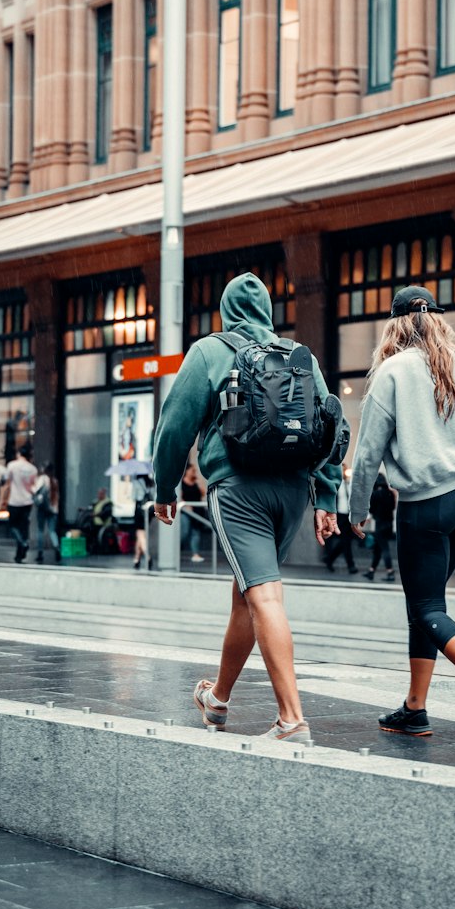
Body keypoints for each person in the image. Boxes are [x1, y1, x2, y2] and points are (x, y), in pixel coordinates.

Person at [152, 272, 341, 744]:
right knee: (248, 593)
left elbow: (174, 426)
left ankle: (291, 719)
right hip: (293, 492)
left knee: (264, 596)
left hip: (238, 490)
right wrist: (327, 497)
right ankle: (217, 698)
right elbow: (330, 425)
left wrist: (165, 487)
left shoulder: (211, 351)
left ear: (226, 309)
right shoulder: (301, 358)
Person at [348, 286, 455, 747]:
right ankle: (414, 708)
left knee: (425, 607)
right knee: (426, 605)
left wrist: (357, 508)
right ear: (437, 320)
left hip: (424, 504)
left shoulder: (392, 371)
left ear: (395, 325)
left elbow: (367, 453)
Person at [4, 445, 38, 564]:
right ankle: (20, 554)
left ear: (19, 453)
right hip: (27, 501)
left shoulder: (12, 465)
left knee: (13, 525)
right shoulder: (32, 468)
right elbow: (34, 485)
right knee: (23, 527)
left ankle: (22, 543)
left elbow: (6, 479)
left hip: (15, 500)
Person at [323, 471, 358, 574]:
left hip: (348, 517)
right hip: (338, 517)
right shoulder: (336, 485)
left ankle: (329, 560)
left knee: (345, 541)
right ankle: (351, 566)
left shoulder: (349, 484)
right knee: (346, 541)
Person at [364, 473, 396, 582]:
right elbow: (393, 507)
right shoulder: (391, 494)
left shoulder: (375, 494)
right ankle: (371, 571)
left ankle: (390, 572)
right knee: (378, 548)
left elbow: (371, 510)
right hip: (389, 525)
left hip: (380, 525)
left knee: (384, 549)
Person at [180, 461, 212, 564]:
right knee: (184, 532)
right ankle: (175, 550)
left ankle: (195, 554)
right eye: (192, 470)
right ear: (187, 471)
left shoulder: (196, 483)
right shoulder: (182, 484)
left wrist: (198, 481)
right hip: (187, 512)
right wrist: (185, 505)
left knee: (196, 533)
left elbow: (203, 493)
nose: (194, 472)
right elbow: (179, 497)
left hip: (198, 512)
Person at [33, 463, 60, 564]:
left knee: (40, 530)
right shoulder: (55, 481)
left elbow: (35, 490)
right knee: (52, 531)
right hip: (53, 509)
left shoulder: (42, 479)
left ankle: (40, 552)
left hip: (43, 509)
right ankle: (56, 547)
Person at [132, 474, 151, 570]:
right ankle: (137, 559)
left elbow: (133, 497)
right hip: (148, 510)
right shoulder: (151, 483)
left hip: (139, 510)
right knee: (141, 535)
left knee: (140, 534)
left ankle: (147, 556)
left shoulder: (136, 483)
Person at [91, 487, 116, 553]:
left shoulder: (108, 502)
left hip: (104, 523)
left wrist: (97, 514)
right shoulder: (96, 501)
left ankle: (102, 549)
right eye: (98, 494)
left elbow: (106, 512)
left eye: (101, 494)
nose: (99, 495)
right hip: (95, 522)